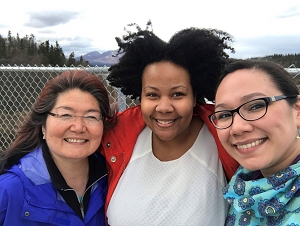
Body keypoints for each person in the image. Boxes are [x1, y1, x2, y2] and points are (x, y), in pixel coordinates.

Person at [99, 21, 239, 225]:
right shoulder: (116, 135)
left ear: (195, 96)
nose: (164, 107)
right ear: (140, 96)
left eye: (177, 94)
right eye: (153, 94)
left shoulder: (226, 136)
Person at [0, 70, 117, 226]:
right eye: (65, 115)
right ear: (43, 125)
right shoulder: (10, 190)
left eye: (91, 117)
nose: (78, 127)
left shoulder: (112, 179)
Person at [209, 59, 300, 225]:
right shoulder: (241, 185)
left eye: (255, 106)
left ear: (297, 111)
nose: (236, 128)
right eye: (224, 115)